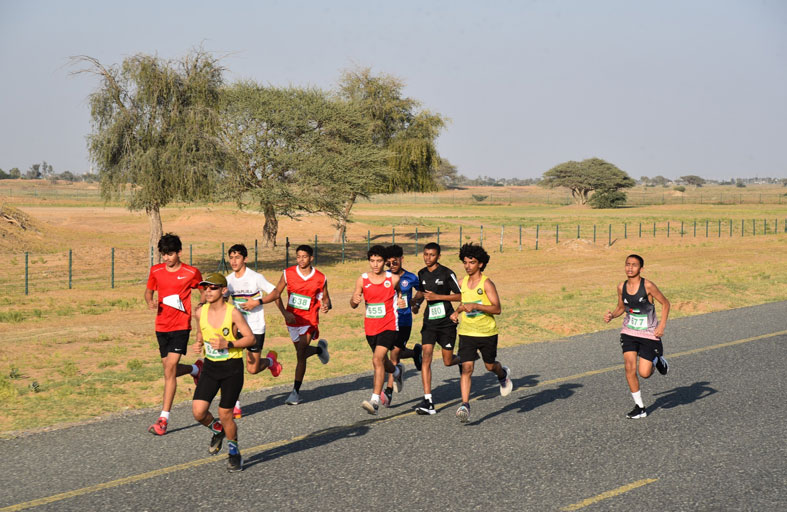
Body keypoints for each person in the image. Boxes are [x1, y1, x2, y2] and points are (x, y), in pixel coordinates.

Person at [192, 272, 255, 472]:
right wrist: (198, 342)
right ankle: (217, 430)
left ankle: (234, 452)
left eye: (213, 287)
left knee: (225, 413)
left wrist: (227, 343)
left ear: (223, 290)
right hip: (211, 366)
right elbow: (200, 331)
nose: (208, 291)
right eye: (205, 288)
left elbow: (250, 339)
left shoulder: (233, 312)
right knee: (198, 412)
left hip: (231, 367)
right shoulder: (200, 312)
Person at [144, 233, 203, 436]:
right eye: (163, 254)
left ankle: (163, 419)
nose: (166, 258)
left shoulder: (191, 272)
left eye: (170, 254)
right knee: (170, 370)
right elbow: (148, 292)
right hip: (161, 326)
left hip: (180, 326)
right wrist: (149, 301)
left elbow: (202, 290)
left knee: (169, 369)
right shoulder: (156, 270)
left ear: (178, 252)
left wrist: (202, 304)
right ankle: (196, 369)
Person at [449, 243, 513, 423]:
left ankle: (502, 374)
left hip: (487, 333)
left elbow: (497, 309)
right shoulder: (461, 283)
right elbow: (463, 303)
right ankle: (465, 405)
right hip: (467, 332)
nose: (468, 266)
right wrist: (457, 312)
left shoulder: (487, 283)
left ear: (481, 264)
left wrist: (477, 306)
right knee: (466, 367)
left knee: (490, 366)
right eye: (465, 262)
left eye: (472, 262)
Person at [603, 254, 671, 419]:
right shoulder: (621, 287)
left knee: (644, 373)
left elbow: (666, 303)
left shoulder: (647, 286)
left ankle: (658, 360)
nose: (630, 268)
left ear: (641, 268)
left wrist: (661, 326)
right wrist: (612, 315)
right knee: (629, 367)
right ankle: (640, 407)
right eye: (627, 264)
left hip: (648, 334)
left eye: (634, 265)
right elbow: (621, 308)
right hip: (629, 332)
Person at [224, 244, 283, 419]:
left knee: (252, 369)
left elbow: (276, 293)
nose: (234, 261)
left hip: (256, 327)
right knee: (232, 366)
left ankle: (270, 362)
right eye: (231, 258)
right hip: (237, 328)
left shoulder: (256, 277)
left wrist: (257, 302)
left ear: (245, 259)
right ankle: (235, 404)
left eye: (237, 257)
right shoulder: (228, 280)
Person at [350, 245, 405, 414]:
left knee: (377, 359)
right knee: (382, 361)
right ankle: (396, 371)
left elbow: (400, 294)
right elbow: (353, 304)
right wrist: (354, 300)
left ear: (385, 261)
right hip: (371, 327)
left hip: (389, 325)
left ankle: (374, 400)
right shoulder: (362, 279)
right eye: (372, 261)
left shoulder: (393, 279)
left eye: (379, 261)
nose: (375, 264)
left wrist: (402, 301)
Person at [273, 245, 330, 405]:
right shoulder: (288, 273)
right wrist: (285, 313)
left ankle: (295, 392)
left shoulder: (320, 277)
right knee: (301, 352)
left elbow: (326, 298)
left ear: (311, 258)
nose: (301, 260)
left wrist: (326, 305)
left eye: (304, 256)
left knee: (300, 353)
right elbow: (276, 294)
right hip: (292, 320)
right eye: (298, 256)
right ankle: (320, 349)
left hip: (310, 319)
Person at [411, 242, 462, 415]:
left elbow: (461, 295)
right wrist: (416, 303)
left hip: (446, 322)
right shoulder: (422, 273)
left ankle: (462, 359)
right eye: (425, 254)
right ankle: (428, 401)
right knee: (426, 357)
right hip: (429, 322)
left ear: (439, 256)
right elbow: (421, 293)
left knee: (448, 361)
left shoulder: (447, 273)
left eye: (432, 255)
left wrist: (437, 296)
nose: (428, 258)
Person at [382, 244, 423, 406]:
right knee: (392, 354)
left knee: (394, 354)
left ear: (401, 259)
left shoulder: (411, 277)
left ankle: (389, 390)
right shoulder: (384, 277)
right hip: (386, 321)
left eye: (395, 261)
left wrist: (416, 303)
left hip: (404, 321)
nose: (392, 265)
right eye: (389, 262)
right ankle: (414, 353)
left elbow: (422, 290)